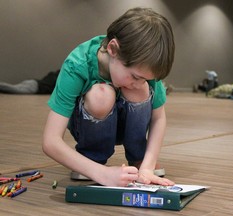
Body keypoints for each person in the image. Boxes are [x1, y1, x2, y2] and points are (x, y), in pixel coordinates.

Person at [42, 7, 175, 187]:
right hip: (91, 123)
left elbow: (159, 118)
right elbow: (50, 141)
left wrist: (148, 166)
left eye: (145, 78)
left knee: (140, 90)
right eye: (135, 76)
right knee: (101, 94)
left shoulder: (143, 65)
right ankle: (92, 160)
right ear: (113, 49)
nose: (138, 81)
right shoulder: (77, 64)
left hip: (126, 124)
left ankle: (139, 160)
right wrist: (102, 174)